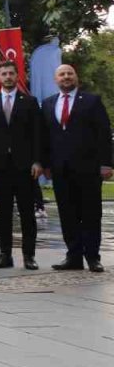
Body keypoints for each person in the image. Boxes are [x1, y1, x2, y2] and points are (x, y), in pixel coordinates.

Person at [40, 64, 113, 272]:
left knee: (90, 214)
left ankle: (93, 257)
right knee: (67, 214)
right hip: (60, 170)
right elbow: (44, 137)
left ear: (76, 77)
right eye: (62, 74)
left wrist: (106, 163)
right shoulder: (48, 103)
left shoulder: (92, 101)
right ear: (56, 80)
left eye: (69, 73)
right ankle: (73, 256)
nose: (66, 77)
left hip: (88, 168)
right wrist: (46, 164)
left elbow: (104, 133)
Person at [0, 60, 43, 270]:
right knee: (3, 213)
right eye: (4, 74)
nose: (8, 77)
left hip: (25, 166)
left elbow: (37, 134)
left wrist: (37, 161)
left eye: (11, 73)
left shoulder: (30, 102)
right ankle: (5, 254)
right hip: (0, 167)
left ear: (17, 76)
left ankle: (29, 255)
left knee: (27, 213)